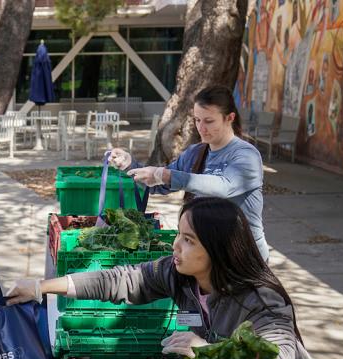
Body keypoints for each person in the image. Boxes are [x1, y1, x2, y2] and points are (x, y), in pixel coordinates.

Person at [7, 196, 316, 359]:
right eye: (179, 235)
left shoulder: (262, 302)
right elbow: (121, 280)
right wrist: (41, 287)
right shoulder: (180, 276)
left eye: (189, 240)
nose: (175, 246)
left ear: (220, 249)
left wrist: (207, 351)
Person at [108, 85, 271, 260]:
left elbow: (223, 187)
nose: (201, 128)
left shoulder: (246, 155)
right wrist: (129, 165)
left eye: (209, 121)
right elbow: (159, 185)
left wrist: (166, 175)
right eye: (197, 120)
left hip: (245, 257)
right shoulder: (195, 153)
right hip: (209, 253)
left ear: (229, 118)